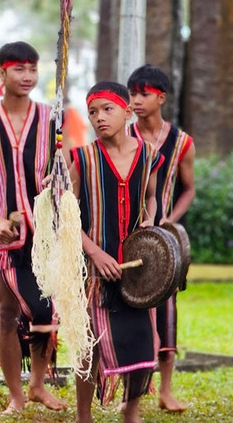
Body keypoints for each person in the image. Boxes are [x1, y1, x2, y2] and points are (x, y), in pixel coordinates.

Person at [0, 41, 66, 413]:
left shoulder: (53, 119)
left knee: (47, 309)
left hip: (47, 231)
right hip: (6, 233)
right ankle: (16, 395)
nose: (27, 76)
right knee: (7, 312)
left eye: (32, 69)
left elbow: (64, 170)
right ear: (2, 73)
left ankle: (38, 384)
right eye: (18, 69)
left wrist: (55, 192)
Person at [71, 81, 160, 423]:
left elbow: (151, 196)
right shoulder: (81, 158)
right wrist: (94, 253)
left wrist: (151, 221)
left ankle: (132, 413)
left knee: (141, 341)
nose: (99, 117)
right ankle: (83, 416)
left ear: (127, 111)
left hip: (138, 270)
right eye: (92, 111)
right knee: (89, 345)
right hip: (95, 270)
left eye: (107, 109)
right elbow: (66, 218)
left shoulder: (149, 154)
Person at [127, 64, 194, 413]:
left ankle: (166, 390)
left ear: (161, 97)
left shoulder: (181, 142)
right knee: (128, 309)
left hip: (164, 243)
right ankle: (132, 389)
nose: (136, 100)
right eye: (132, 94)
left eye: (144, 94)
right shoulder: (122, 136)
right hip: (128, 237)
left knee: (167, 309)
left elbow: (189, 189)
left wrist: (170, 218)